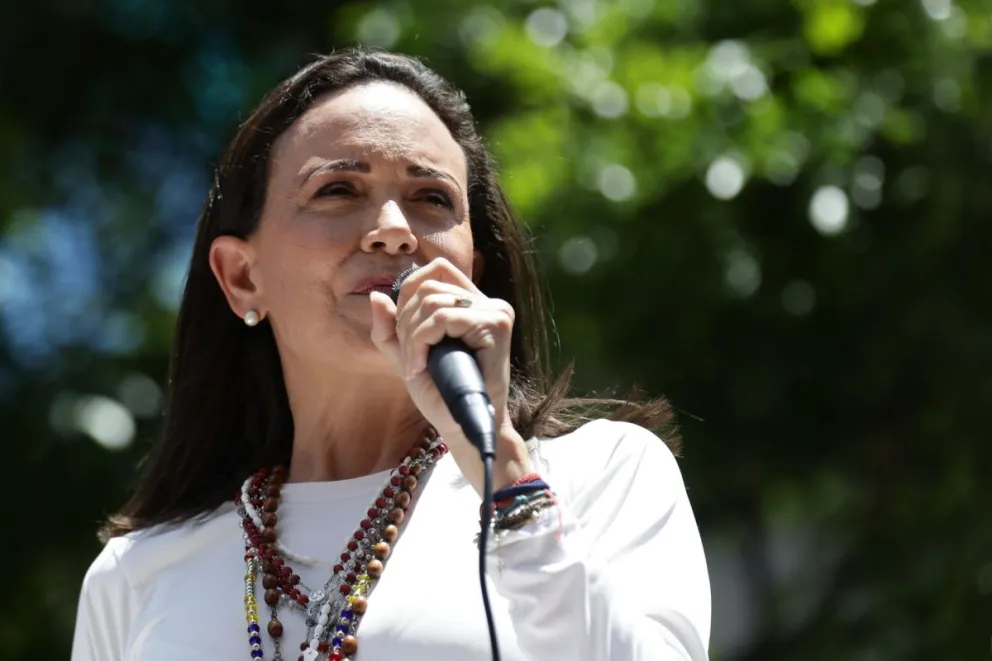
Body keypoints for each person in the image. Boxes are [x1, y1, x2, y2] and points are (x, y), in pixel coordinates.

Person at [70, 49, 711, 661]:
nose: (395, 231)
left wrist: (500, 463)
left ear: (471, 272)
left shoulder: (600, 475)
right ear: (242, 277)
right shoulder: (136, 574)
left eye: (432, 198)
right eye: (337, 189)